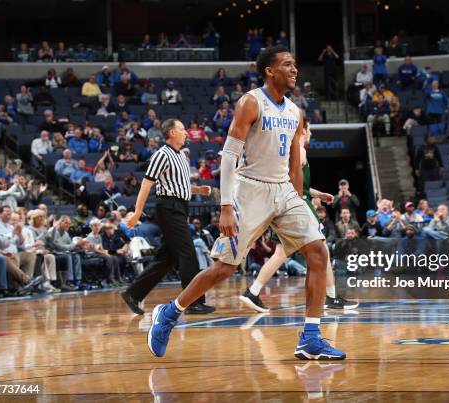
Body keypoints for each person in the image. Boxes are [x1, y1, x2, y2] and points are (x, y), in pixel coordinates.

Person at [138, 45, 345, 360]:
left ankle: (311, 337)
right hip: (249, 191)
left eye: (295, 65)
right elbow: (230, 155)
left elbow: (294, 168)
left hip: (284, 190)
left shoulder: (296, 112)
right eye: (287, 64)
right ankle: (170, 312)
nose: (294, 70)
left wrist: (301, 202)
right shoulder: (250, 103)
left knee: (318, 251)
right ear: (269, 71)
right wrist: (225, 206)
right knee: (224, 268)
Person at [239, 121, 358, 312]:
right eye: (309, 130)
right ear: (303, 131)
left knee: (280, 254)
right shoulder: (299, 151)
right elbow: (294, 186)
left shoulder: (289, 151)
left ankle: (252, 292)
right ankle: (331, 297)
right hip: (298, 207)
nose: (311, 133)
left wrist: (318, 194)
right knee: (322, 250)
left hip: (284, 206)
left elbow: (297, 183)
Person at [121, 119, 214, 316]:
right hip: (168, 208)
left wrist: (198, 189)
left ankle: (133, 293)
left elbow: (178, 185)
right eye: (182, 129)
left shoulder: (182, 155)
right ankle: (193, 301)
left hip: (179, 207)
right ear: (172, 133)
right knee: (188, 253)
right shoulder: (161, 155)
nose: (186, 132)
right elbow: (146, 184)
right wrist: (137, 212)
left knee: (167, 258)